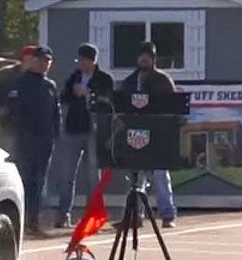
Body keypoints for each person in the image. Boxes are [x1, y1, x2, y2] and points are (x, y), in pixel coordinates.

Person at [53, 43, 114, 228]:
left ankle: (91, 216)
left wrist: (90, 93)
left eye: (84, 60)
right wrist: (72, 92)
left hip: (94, 130)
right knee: (67, 174)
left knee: (93, 176)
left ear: (92, 60)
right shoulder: (74, 77)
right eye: (79, 60)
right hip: (73, 128)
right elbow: (63, 98)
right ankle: (64, 214)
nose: (81, 63)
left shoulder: (105, 79)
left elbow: (109, 103)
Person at [121, 40, 177, 228]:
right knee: (136, 177)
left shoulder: (163, 80)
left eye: (148, 56)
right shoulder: (129, 81)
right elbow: (122, 107)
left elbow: (172, 108)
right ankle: (135, 215)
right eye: (141, 56)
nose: (144, 59)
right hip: (135, 134)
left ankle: (167, 214)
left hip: (158, 133)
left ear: (154, 59)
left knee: (161, 175)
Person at [9, 45, 61, 235]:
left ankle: (34, 221)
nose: (44, 64)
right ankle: (20, 221)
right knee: (25, 180)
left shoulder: (50, 86)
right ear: (33, 61)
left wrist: (55, 134)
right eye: (40, 60)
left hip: (45, 140)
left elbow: (56, 113)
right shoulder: (21, 83)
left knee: (39, 182)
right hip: (26, 139)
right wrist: (20, 132)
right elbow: (13, 110)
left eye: (47, 61)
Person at [0, 44, 36, 153]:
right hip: (6, 122)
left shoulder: (37, 77)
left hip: (26, 124)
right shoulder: (6, 74)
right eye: (29, 59)